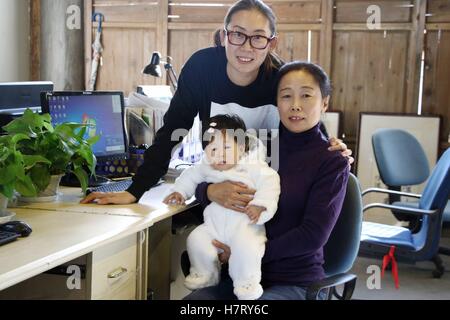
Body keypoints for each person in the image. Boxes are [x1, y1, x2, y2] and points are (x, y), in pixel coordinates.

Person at [80, 0, 352, 206]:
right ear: (224, 36)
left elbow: (304, 127)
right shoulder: (202, 68)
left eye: (258, 37)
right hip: (218, 186)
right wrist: (134, 191)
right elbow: (173, 131)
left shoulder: (279, 78)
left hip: (267, 193)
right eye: (237, 34)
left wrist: (329, 147)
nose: (246, 47)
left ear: (271, 43)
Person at [185, 61, 350, 300]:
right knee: (193, 303)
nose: (295, 106)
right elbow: (206, 174)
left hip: (295, 281)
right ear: (277, 103)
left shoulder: (331, 161)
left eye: (306, 95)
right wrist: (209, 191)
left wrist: (244, 253)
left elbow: (312, 235)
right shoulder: (258, 149)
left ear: (324, 102)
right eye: (286, 96)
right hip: (240, 274)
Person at [164, 114, 280, 300]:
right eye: (213, 149)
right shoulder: (207, 166)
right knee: (196, 239)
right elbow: (190, 176)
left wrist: (260, 206)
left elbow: (270, 183)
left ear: (241, 148)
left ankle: (247, 284)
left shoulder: (253, 166)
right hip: (214, 227)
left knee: (247, 248)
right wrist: (180, 192)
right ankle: (205, 274)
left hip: (245, 226)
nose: (220, 155)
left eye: (226, 147)